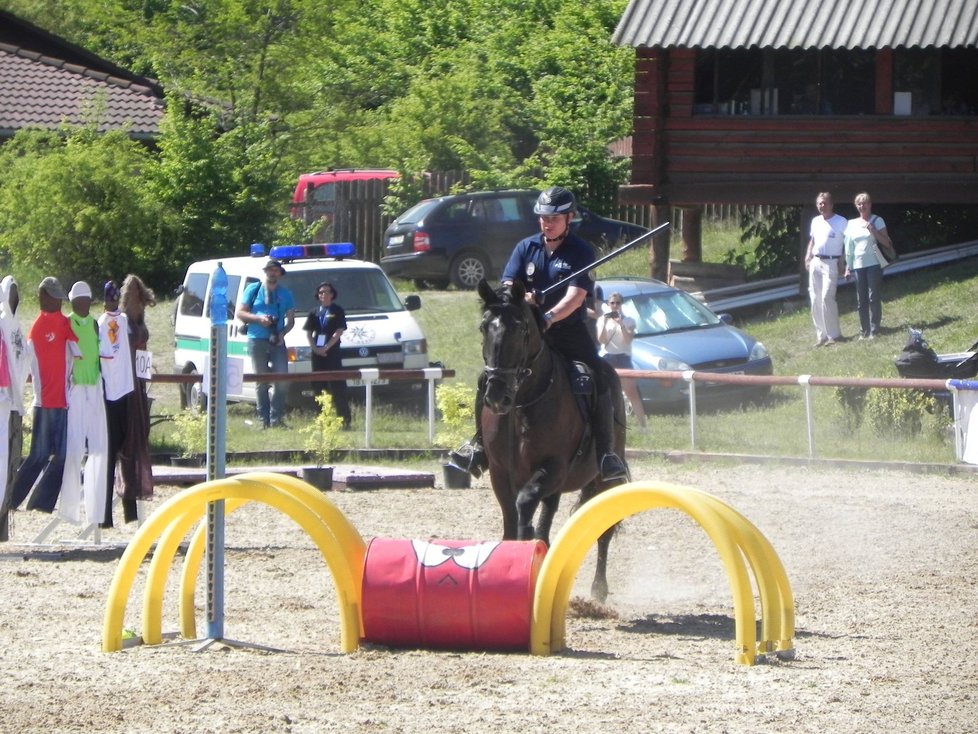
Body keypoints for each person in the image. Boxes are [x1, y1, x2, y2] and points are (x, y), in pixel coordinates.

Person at [450, 186, 629, 482]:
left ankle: (607, 454)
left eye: (555, 218)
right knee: (489, 377)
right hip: (526, 334)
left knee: (602, 376)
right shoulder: (526, 248)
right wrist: (517, 299)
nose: (548, 222)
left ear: (569, 218)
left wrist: (547, 316)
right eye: (544, 217)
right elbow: (509, 283)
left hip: (569, 332)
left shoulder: (581, 251)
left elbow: (575, 297)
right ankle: (479, 445)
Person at [8, 277, 79, 514]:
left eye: (60, 299)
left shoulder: (63, 324)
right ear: (44, 297)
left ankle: (39, 503)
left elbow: (75, 353)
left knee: (61, 456)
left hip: (62, 403)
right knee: (38, 456)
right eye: (55, 298)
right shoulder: (38, 328)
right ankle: (11, 499)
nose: (59, 303)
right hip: (44, 402)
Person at [59, 282, 109, 525]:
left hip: (95, 387)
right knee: (74, 449)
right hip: (76, 389)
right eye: (79, 301)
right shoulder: (66, 322)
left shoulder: (95, 324)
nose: (83, 304)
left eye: (86, 300)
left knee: (99, 449)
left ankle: (96, 511)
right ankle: (69, 510)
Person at [236, 258, 295, 429]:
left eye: (276, 270)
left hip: (277, 340)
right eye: (270, 270)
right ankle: (263, 420)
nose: (272, 273)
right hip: (256, 338)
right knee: (260, 380)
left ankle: (276, 419)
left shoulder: (286, 294)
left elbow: (291, 320)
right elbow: (240, 313)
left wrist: (283, 333)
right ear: (265, 272)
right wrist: (259, 319)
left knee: (282, 379)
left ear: (280, 274)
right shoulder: (253, 290)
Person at [117, 274, 155, 523]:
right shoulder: (121, 321)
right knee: (127, 441)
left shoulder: (140, 318)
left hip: (139, 385)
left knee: (140, 438)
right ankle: (127, 496)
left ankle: (136, 492)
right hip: (124, 385)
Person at [97, 280, 135, 528]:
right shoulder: (112, 323)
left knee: (119, 455)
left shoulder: (113, 322)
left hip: (119, 391)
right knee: (116, 455)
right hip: (117, 392)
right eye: (112, 299)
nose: (113, 303)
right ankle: (112, 514)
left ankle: (119, 513)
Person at [0, 276, 29, 540]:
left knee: (10, 465)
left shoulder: (17, 328)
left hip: (14, 405)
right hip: (3, 402)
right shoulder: (1, 324)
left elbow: (24, 360)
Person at [844, 192, 895, 340]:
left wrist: (873, 230)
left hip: (874, 264)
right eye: (859, 204)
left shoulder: (877, 220)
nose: (862, 206)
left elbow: (886, 242)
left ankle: (875, 329)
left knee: (874, 297)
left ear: (870, 204)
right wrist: (848, 267)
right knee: (862, 300)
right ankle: (864, 331)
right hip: (858, 265)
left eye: (864, 203)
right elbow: (849, 247)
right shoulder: (851, 224)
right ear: (856, 206)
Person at [303, 281, 351, 429]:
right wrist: (315, 348)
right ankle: (323, 419)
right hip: (317, 353)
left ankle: (344, 420)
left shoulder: (337, 310)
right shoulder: (314, 312)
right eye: (321, 292)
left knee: (337, 386)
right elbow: (309, 332)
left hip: (332, 352)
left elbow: (339, 331)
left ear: (332, 294)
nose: (324, 295)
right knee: (319, 386)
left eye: (326, 292)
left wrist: (327, 347)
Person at [596, 292, 647, 431]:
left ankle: (643, 425)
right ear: (608, 305)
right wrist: (607, 321)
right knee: (606, 392)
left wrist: (621, 324)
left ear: (621, 304)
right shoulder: (602, 320)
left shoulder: (629, 320)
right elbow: (601, 340)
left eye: (618, 303)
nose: (615, 306)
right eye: (612, 303)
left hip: (623, 358)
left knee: (631, 391)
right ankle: (608, 424)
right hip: (608, 358)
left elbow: (627, 340)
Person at [804, 191, 847, 347]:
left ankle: (834, 335)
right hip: (816, 261)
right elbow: (812, 240)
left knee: (827, 298)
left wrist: (843, 262)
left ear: (831, 204)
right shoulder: (815, 221)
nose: (822, 206)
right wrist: (807, 257)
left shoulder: (841, 221)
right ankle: (821, 336)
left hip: (831, 262)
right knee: (815, 299)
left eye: (824, 203)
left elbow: (846, 244)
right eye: (819, 203)